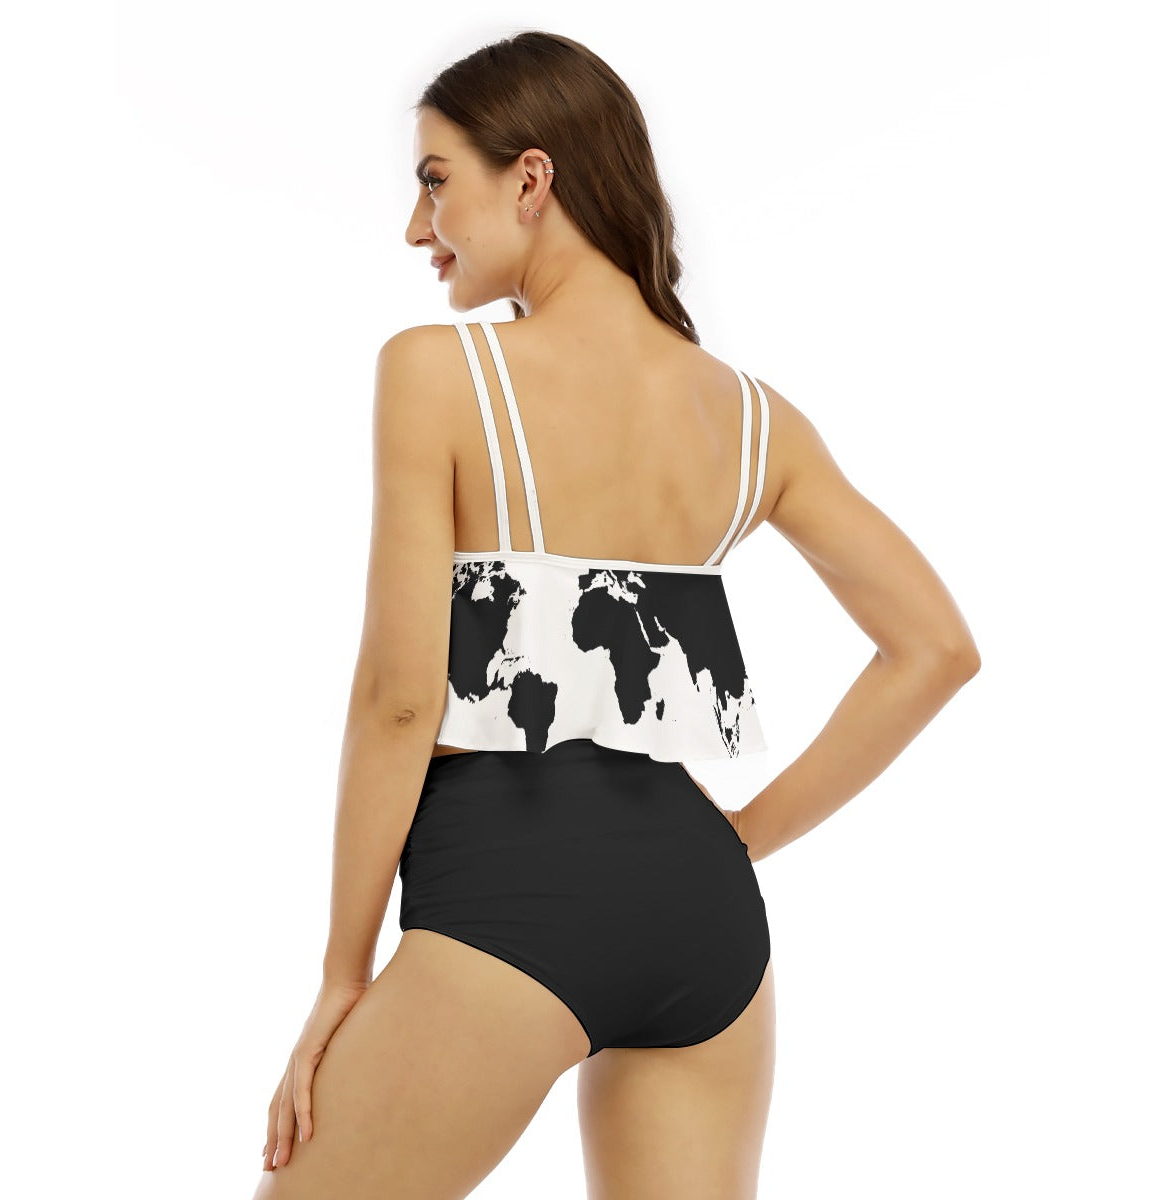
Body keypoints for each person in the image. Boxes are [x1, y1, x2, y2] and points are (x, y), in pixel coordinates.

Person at [251, 30, 980, 1200]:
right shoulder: (753, 420)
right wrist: (739, 840)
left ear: (530, 179)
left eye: (435, 180)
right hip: (706, 924)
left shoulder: (439, 373)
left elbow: (398, 703)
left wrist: (343, 975)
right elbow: (935, 649)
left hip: (509, 897)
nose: (416, 227)